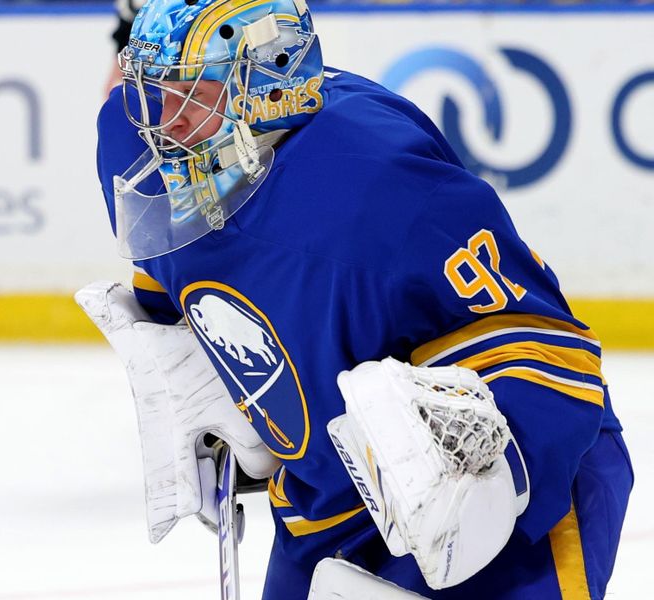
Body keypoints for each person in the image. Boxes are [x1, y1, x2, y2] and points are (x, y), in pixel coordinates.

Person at [83, 0, 633, 597]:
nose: (166, 122)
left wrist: (491, 484)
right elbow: (172, 272)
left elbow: (554, 352)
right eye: (152, 88)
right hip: (323, 500)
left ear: (265, 92)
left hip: (497, 506)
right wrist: (194, 370)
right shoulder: (132, 137)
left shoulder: (379, 190)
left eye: (191, 92)